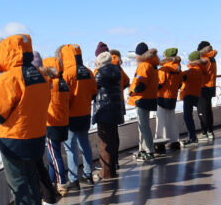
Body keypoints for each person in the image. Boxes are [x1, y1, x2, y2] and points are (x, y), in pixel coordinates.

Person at [0, 33, 51, 205]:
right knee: (31, 184)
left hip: (14, 141)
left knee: (21, 188)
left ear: (6, 53)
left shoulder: (9, 78)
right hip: (35, 138)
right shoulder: (38, 74)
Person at [58, 43, 98, 187]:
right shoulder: (88, 71)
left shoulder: (67, 73)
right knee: (85, 144)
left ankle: (74, 179)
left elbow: (64, 96)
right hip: (85, 114)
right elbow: (94, 91)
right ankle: (88, 175)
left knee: (70, 148)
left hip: (70, 116)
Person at [31, 52, 62, 205]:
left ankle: (43, 199)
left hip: (33, 129)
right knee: (39, 164)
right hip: (41, 127)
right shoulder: (48, 80)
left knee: (35, 166)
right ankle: (49, 198)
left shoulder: (35, 80)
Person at [41, 54, 71, 196]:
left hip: (52, 124)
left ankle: (61, 183)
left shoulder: (50, 83)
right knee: (54, 155)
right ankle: (52, 181)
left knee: (54, 156)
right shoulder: (63, 82)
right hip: (63, 122)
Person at [92, 49, 125, 178]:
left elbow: (93, 89)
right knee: (113, 139)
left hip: (104, 110)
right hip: (115, 110)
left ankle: (106, 173)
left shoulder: (100, 73)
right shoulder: (117, 71)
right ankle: (112, 168)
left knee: (104, 142)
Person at [128, 42, 159, 160]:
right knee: (143, 126)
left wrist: (132, 92)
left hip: (142, 99)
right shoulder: (152, 64)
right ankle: (143, 150)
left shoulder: (144, 65)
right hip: (149, 97)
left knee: (143, 126)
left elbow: (140, 84)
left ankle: (149, 151)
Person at [155, 48, 183, 153]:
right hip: (172, 97)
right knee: (172, 120)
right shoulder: (179, 69)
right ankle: (175, 142)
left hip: (162, 97)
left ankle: (160, 145)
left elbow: (159, 83)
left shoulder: (164, 69)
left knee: (160, 122)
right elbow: (180, 83)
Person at [179, 50, 206, 147]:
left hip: (189, 94)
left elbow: (181, 76)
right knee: (188, 116)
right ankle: (192, 137)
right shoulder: (200, 69)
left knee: (187, 117)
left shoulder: (194, 70)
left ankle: (192, 138)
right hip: (195, 94)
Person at [196, 41, 218, 140]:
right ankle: (210, 131)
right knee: (208, 110)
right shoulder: (212, 58)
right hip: (211, 87)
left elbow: (199, 73)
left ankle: (204, 133)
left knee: (202, 111)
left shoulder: (204, 60)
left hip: (203, 87)